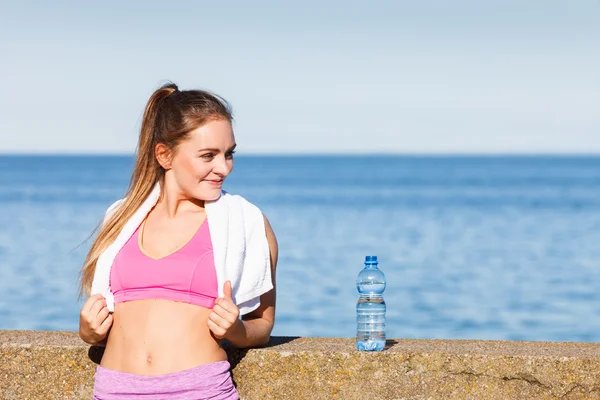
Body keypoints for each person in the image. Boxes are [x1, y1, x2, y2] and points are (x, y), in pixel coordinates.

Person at [78, 82, 278, 400]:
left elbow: (262, 323)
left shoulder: (246, 222)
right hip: (114, 392)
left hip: (199, 391)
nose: (223, 167)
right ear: (165, 155)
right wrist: (89, 331)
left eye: (229, 154)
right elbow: (106, 318)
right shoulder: (120, 218)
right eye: (208, 155)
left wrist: (237, 331)